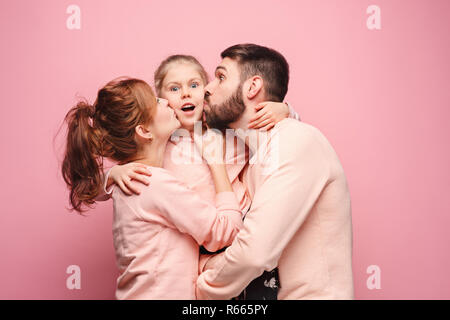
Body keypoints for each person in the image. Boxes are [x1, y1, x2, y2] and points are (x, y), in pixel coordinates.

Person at [61, 77, 244, 299]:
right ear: (145, 131)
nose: (166, 101)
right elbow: (223, 233)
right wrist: (218, 167)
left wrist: (111, 174)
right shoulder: (153, 183)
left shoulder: (127, 178)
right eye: (157, 101)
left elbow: (89, 186)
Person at [196, 43, 354, 300]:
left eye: (221, 77)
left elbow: (254, 253)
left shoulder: (297, 139)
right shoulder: (254, 160)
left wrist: (199, 283)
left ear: (253, 87)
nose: (207, 88)